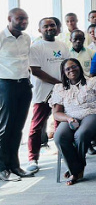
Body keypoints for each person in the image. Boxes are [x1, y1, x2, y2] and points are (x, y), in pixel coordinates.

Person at [51, 58, 96, 185]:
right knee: (59, 136)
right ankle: (77, 168)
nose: (72, 70)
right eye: (68, 69)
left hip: (92, 113)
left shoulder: (93, 82)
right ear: (63, 72)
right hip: (70, 116)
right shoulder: (59, 88)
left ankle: (75, 172)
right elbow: (56, 113)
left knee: (81, 134)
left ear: (80, 67)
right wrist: (68, 118)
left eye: (74, 67)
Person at [27, 17, 69, 174]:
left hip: (60, 91)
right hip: (42, 92)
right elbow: (36, 70)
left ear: (57, 28)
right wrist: (57, 82)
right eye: (46, 26)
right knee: (37, 126)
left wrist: (63, 84)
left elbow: (67, 66)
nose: (50, 28)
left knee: (60, 124)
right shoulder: (36, 47)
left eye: (52, 25)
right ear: (40, 30)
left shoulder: (63, 46)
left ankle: (63, 152)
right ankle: (33, 158)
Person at [0, 8, 33, 181]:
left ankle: (15, 165)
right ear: (9, 19)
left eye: (26, 19)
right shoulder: (1, 37)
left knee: (18, 128)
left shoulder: (27, 38)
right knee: (4, 128)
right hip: (6, 85)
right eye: (20, 19)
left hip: (24, 85)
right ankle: (2, 168)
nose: (24, 22)